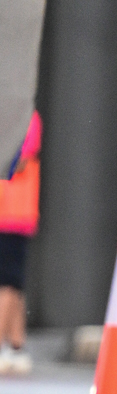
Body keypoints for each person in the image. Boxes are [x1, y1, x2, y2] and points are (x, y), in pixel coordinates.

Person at [0, 110, 39, 376]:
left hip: (12, 214)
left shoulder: (26, 117)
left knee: (7, 282)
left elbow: (21, 160)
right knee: (13, 283)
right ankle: (16, 346)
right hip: (9, 212)